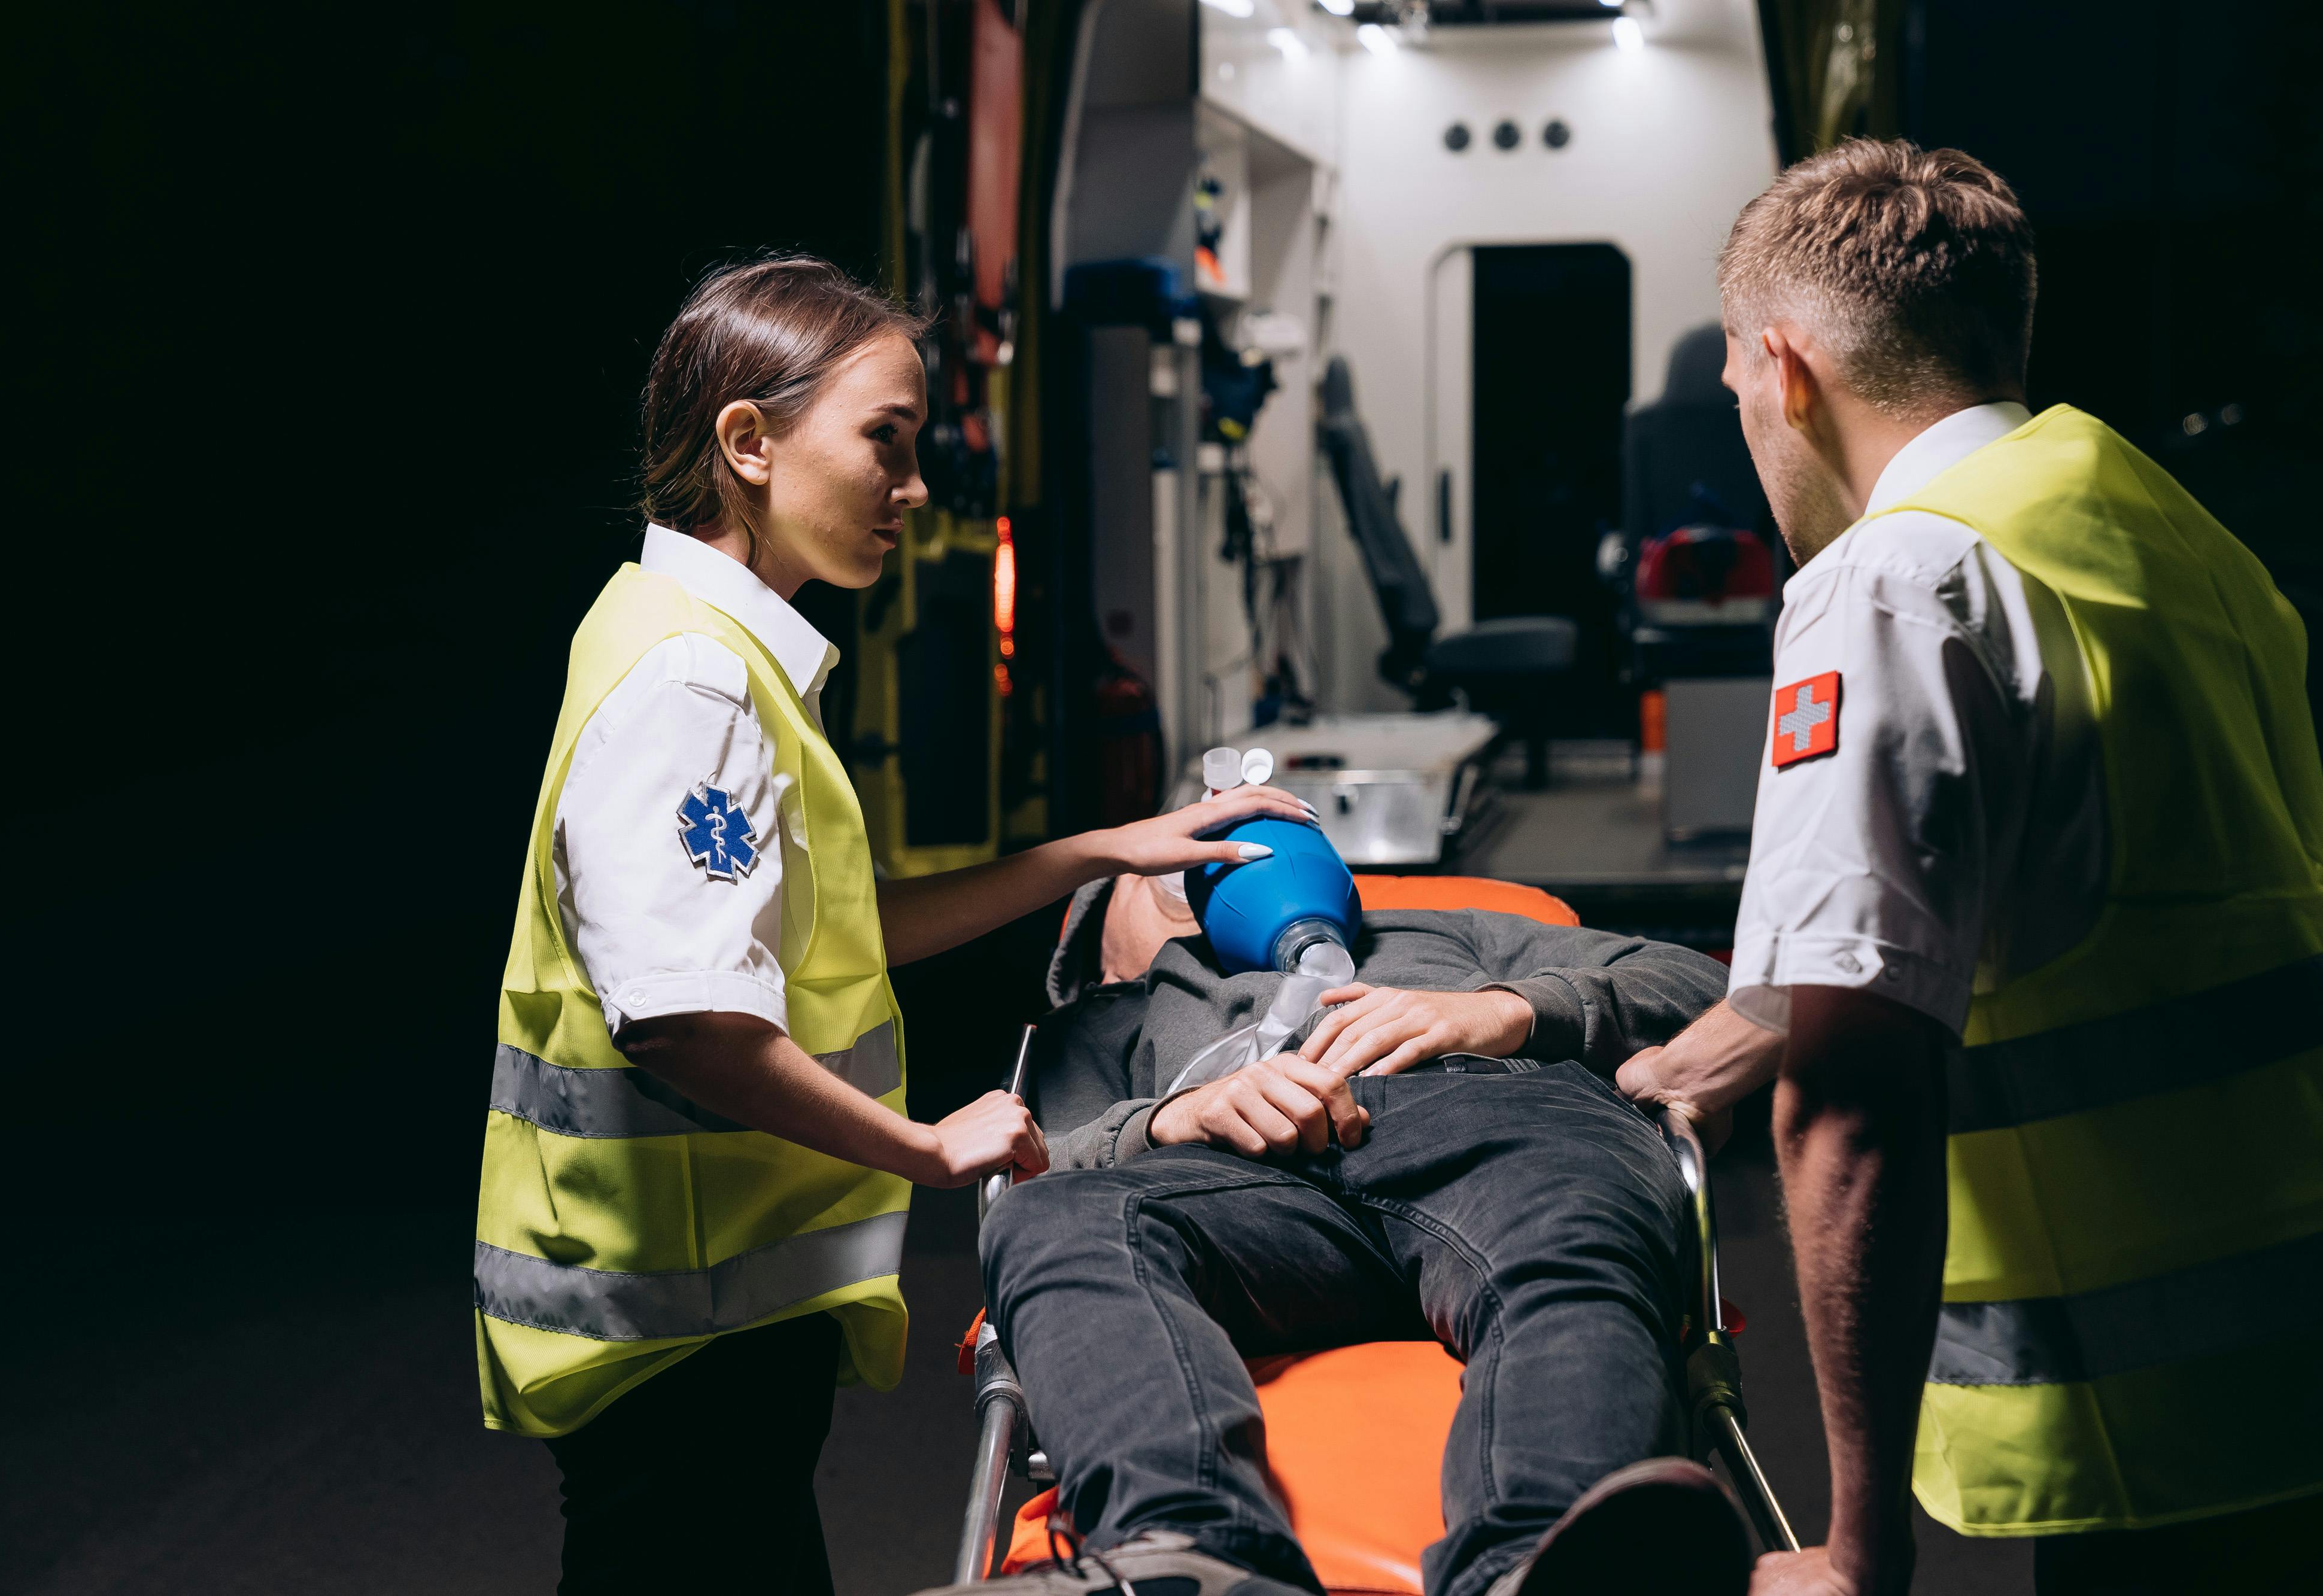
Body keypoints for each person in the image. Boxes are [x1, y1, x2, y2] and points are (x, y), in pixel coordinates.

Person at [473, 256, 1315, 1595]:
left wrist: (1105, 849)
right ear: (748, 442)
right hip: (675, 1324)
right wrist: (922, 1148)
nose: (915, 488)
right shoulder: (693, 684)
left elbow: (836, 933)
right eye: (887, 439)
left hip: (710, 1316)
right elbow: (686, 1019)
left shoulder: (690, 636)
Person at [1617, 141, 2323, 1594]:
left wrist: (1854, 1550)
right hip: (2283, 1354)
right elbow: (2095, 907)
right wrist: (1708, 1044)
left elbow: (1851, 1102)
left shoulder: (1892, 581)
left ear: (1784, 369)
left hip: (2133, 1404)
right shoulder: (2163, 531)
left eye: (1743, 395)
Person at [919, 870, 1755, 1596]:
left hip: (1508, 1123)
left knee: (1571, 1236)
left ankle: (1535, 1560)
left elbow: (1715, 987)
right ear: (1099, 946)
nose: (1217, 869)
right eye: (1165, 875)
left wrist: (1506, 1010)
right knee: (1051, 1219)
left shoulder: (1440, 931)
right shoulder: (1112, 1015)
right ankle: (1188, 1554)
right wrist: (1172, 1117)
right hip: (1252, 1192)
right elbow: (1035, 1160)